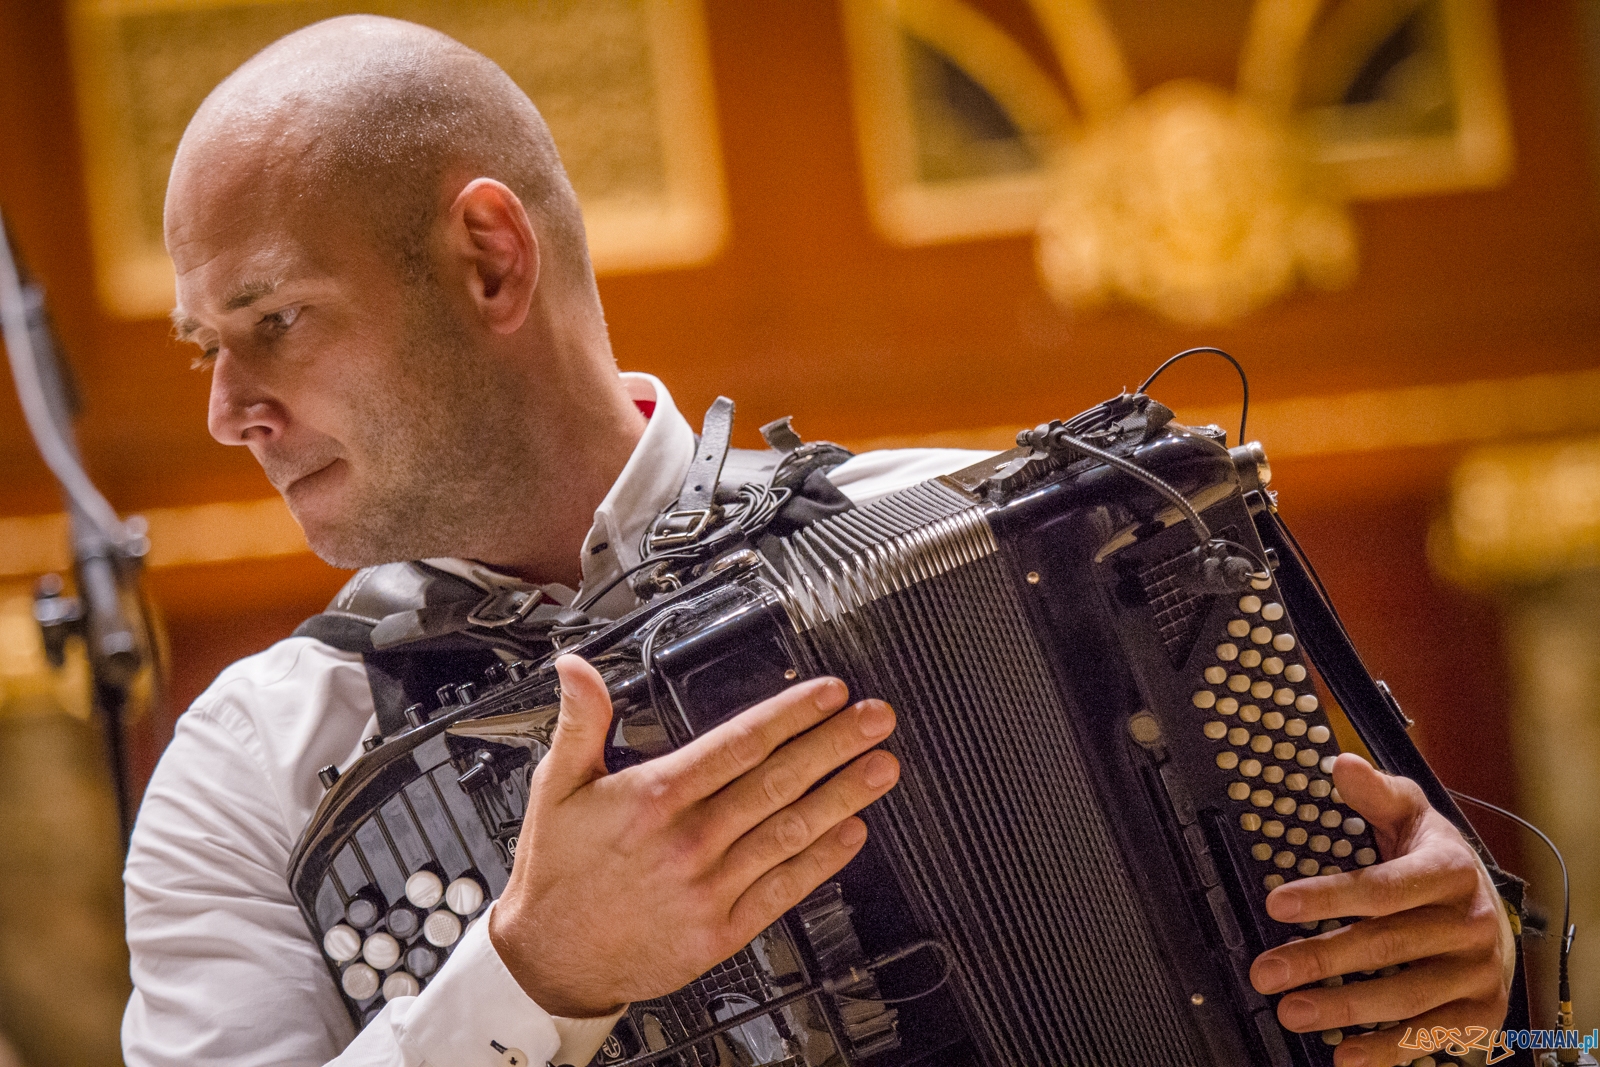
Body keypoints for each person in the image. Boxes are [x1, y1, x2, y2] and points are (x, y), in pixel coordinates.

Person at [130, 14, 1517, 1067]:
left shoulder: (1012, 535)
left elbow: (1370, 952)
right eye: (206, 345)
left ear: (490, 261)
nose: (229, 409)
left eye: (275, 319)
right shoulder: (248, 775)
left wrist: (1452, 969)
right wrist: (535, 973)